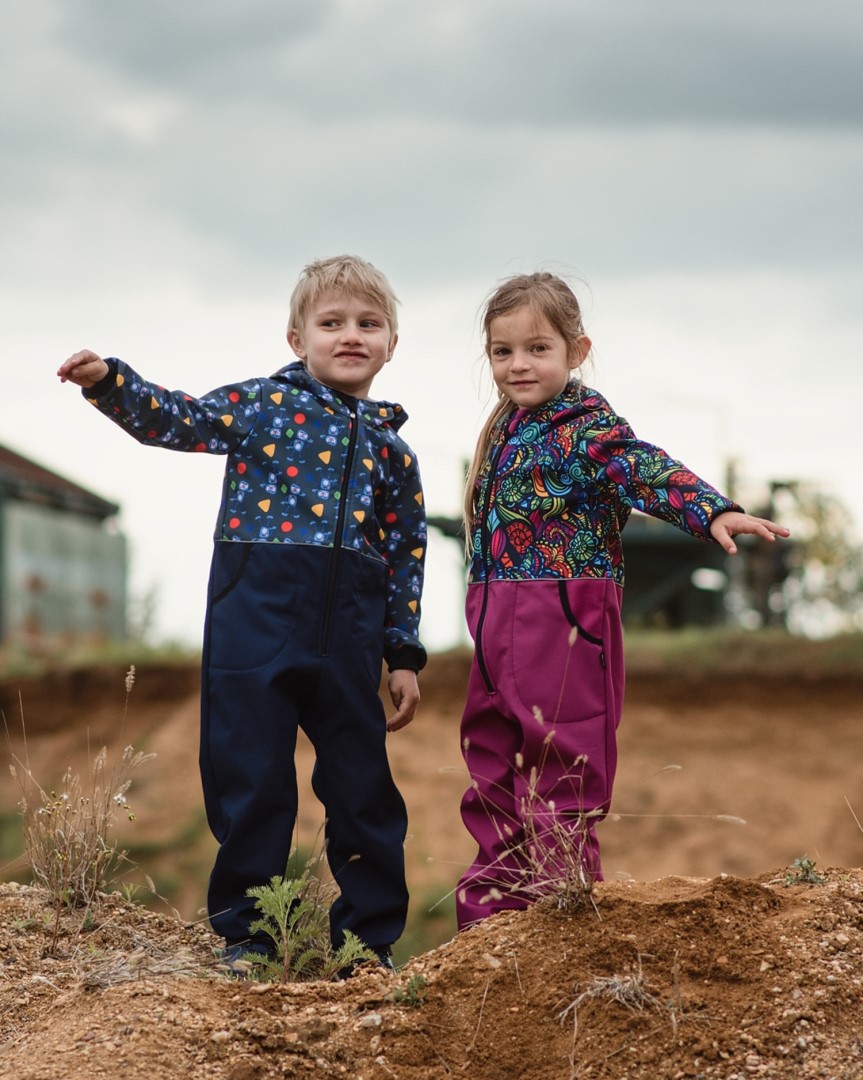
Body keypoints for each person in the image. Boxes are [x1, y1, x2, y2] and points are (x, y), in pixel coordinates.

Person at [57, 255, 427, 970]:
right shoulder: (262, 406)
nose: (350, 335)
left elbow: (407, 558)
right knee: (250, 780)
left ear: (390, 343)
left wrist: (402, 654)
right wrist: (110, 383)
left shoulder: (394, 453)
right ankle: (250, 938)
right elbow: (180, 419)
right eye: (331, 323)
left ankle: (363, 943)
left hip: (349, 639)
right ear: (297, 339)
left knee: (363, 792)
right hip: (253, 625)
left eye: (368, 324)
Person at [455, 271, 788, 931]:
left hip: (564, 617)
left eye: (537, 348)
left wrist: (710, 511)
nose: (518, 364)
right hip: (493, 620)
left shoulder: (587, 426)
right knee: (490, 757)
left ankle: (560, 912)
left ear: (576, 351)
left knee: (560, 759)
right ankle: (489, 921)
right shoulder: (502, 430)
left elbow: (642, 468)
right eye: (502, 351)